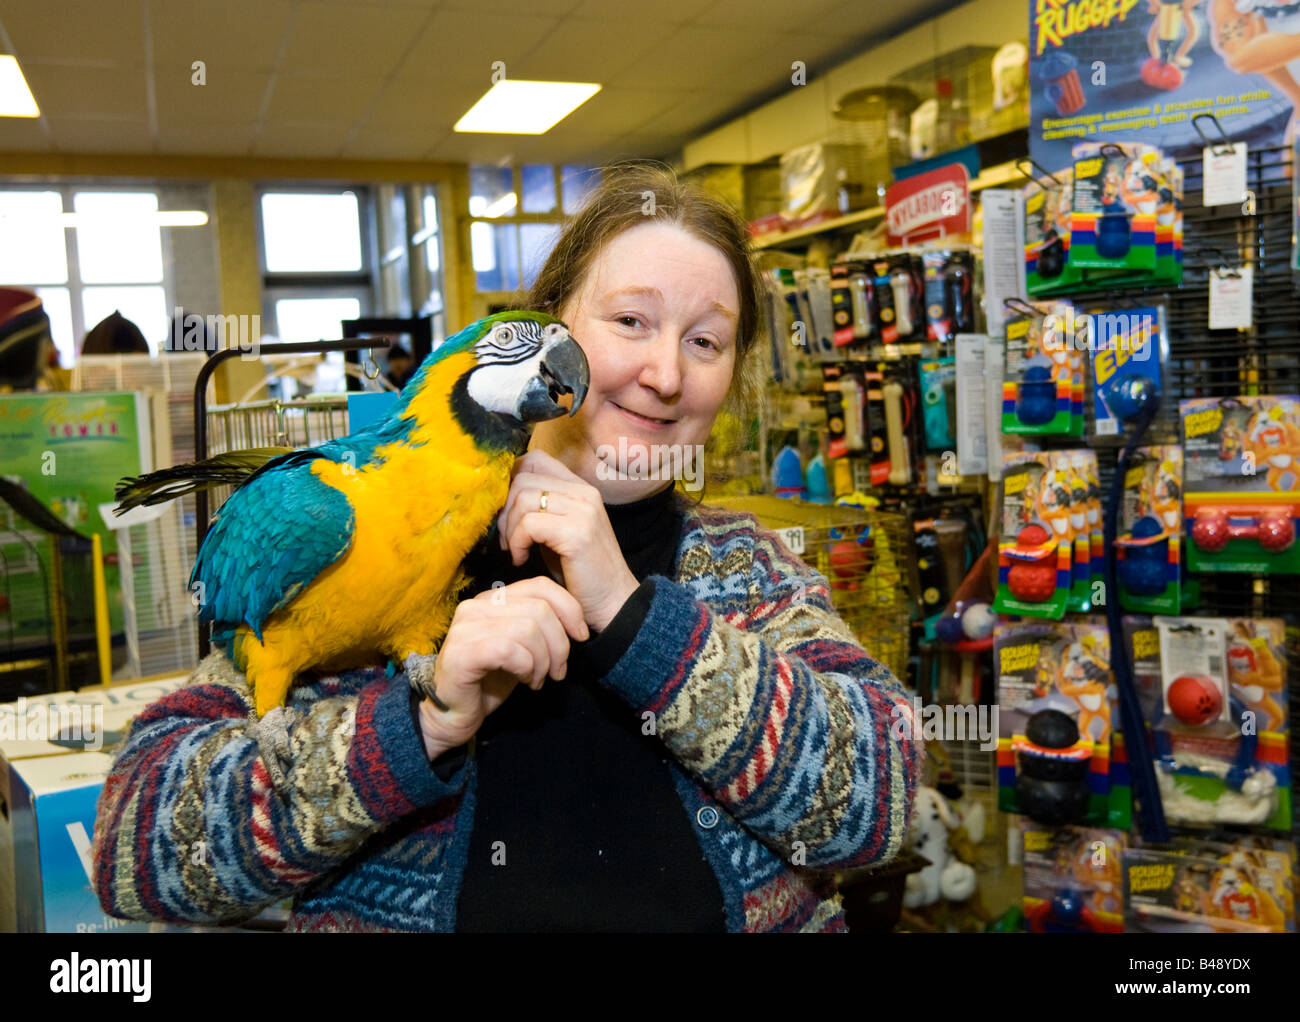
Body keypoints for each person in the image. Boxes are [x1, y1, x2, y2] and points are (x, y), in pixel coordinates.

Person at [90, 163, 922, 933]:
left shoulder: (748, 566)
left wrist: (635, 619)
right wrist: (411, 730)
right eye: (630, 320)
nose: (665, 374)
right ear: (548, 328)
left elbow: (880, 806)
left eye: (704, 341)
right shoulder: (378, 536)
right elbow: (137, 849)